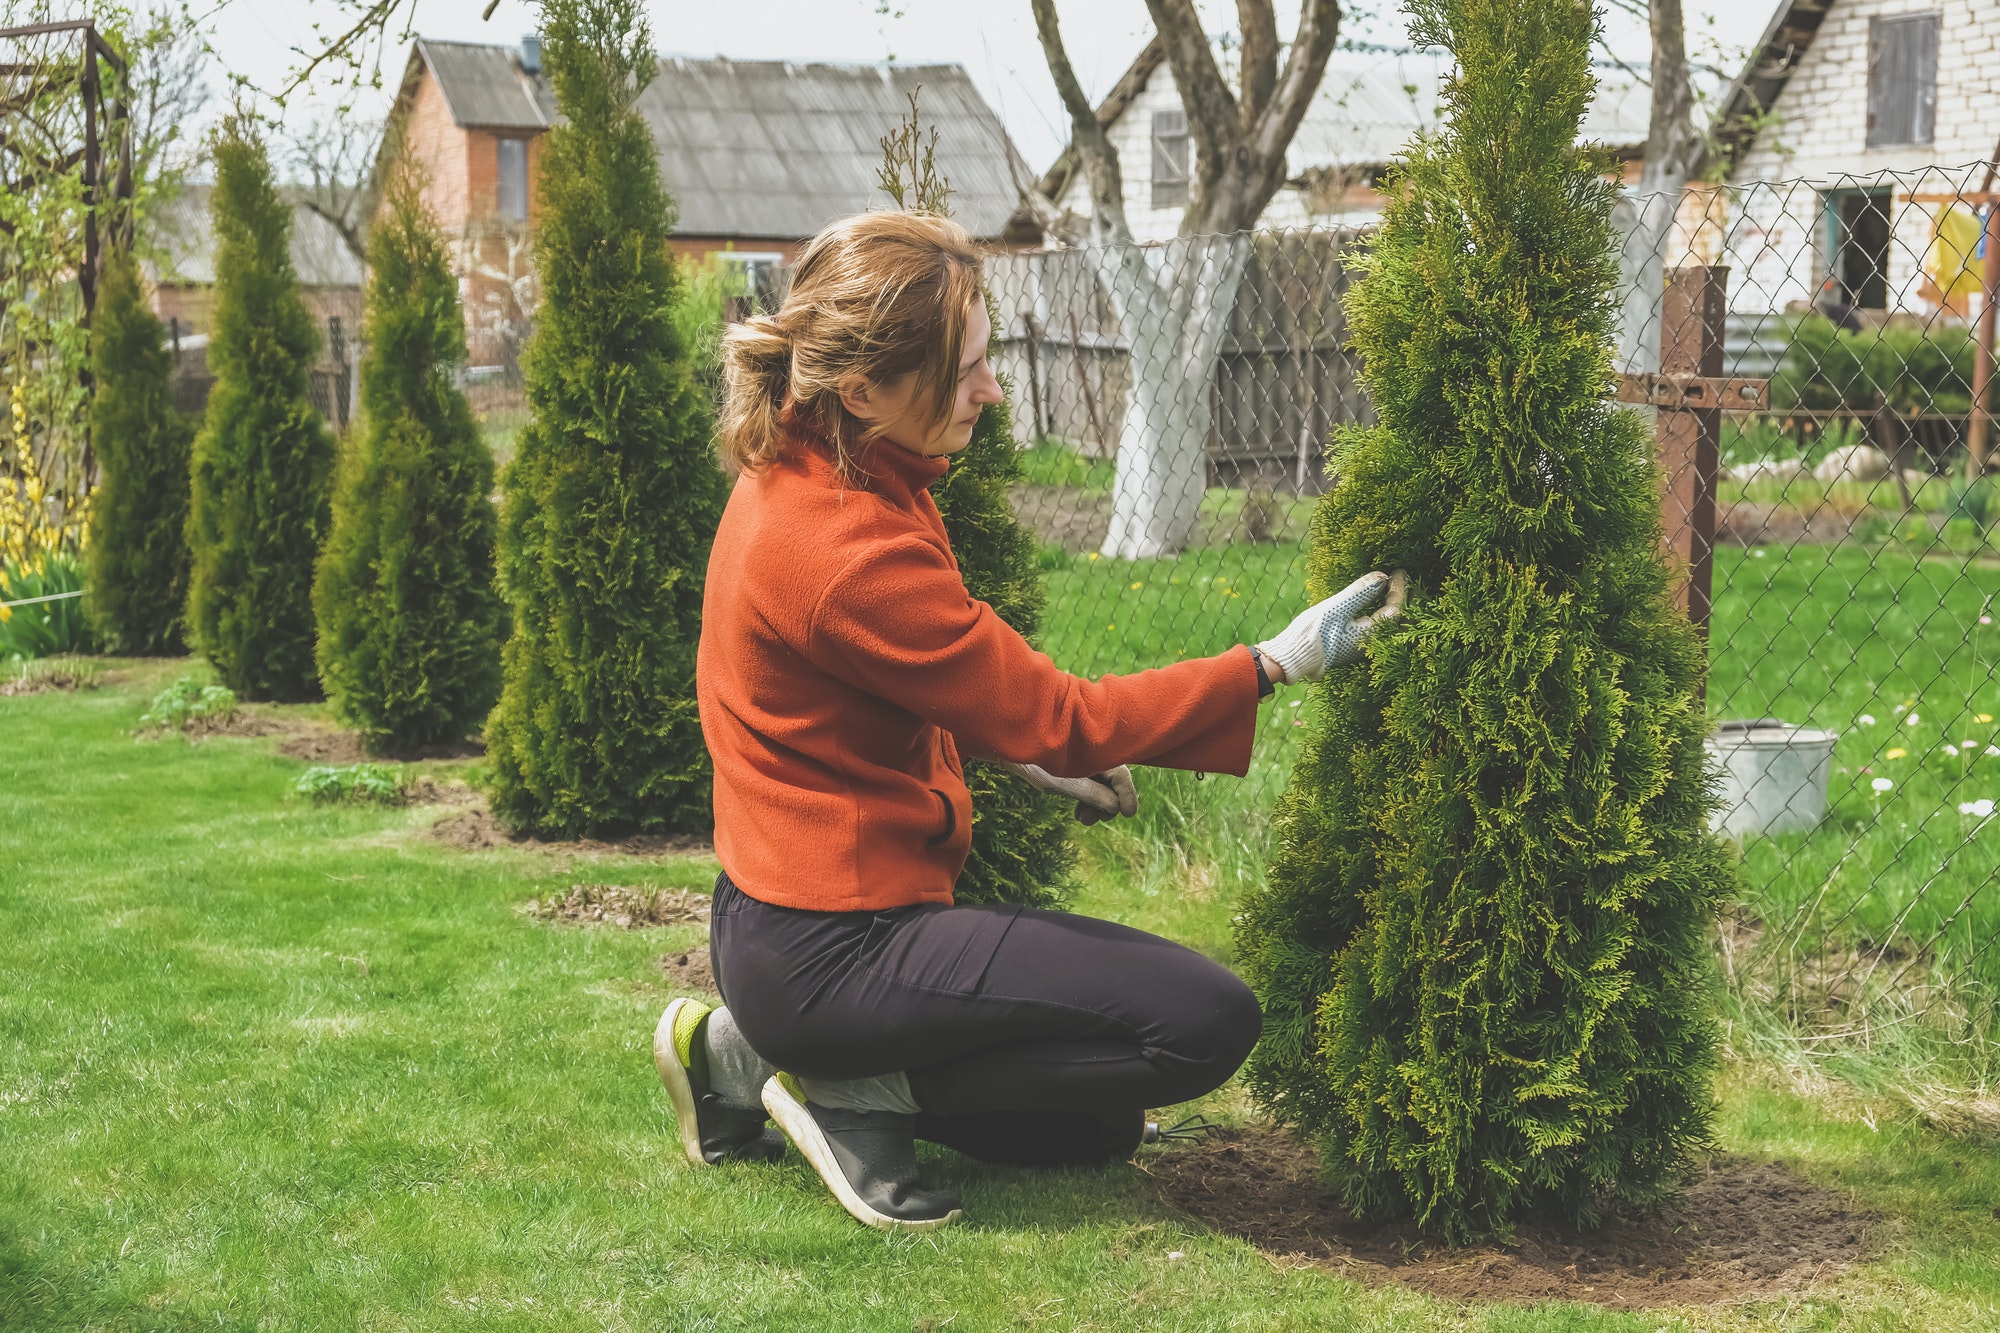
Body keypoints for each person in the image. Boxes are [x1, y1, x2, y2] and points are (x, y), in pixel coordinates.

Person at [653, 211, 1403, 1233]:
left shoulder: (808, 467)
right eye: (963, 371)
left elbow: (845, 705)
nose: (991, 389)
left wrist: (1013, 757)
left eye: (983, 359)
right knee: (1205, 1023)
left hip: (775, 929)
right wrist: (1272, 663)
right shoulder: (844, 546)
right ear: (864, 387)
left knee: (1093, 1125)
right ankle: (847, 1089)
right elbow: (1068, 716)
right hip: (838, 948)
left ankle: (741, 1053)